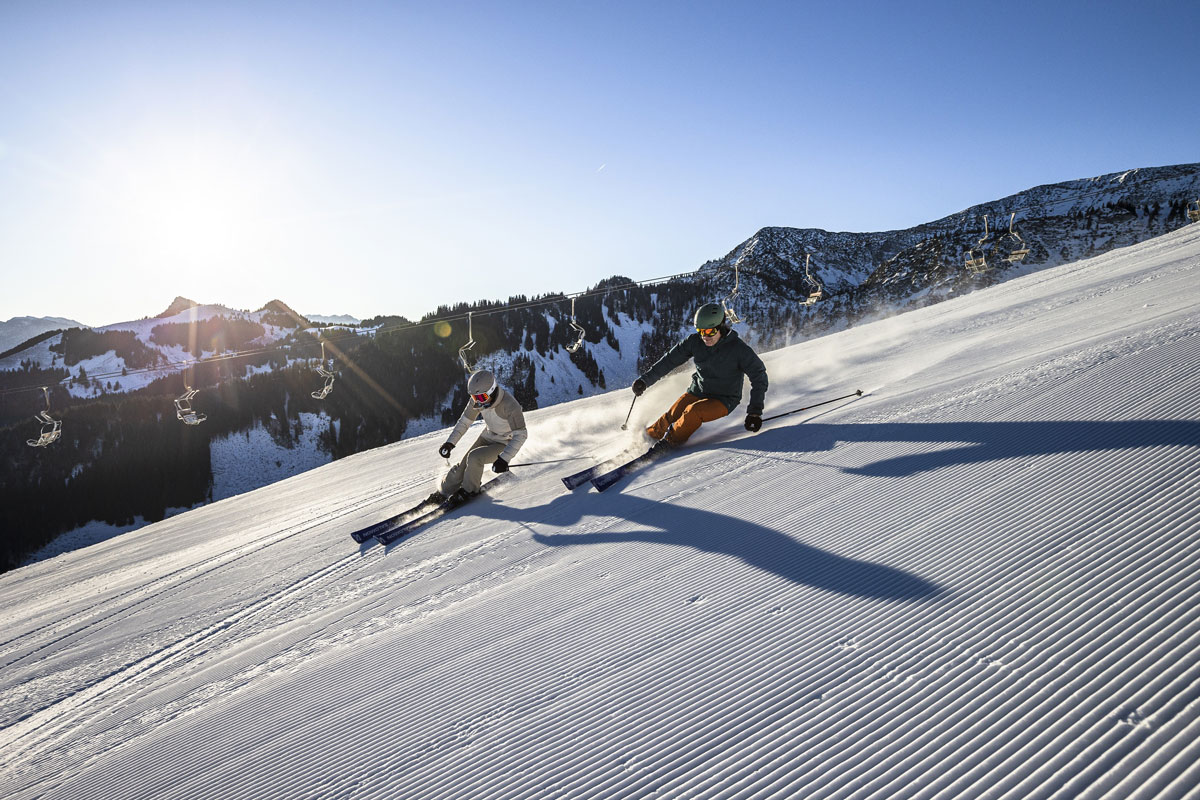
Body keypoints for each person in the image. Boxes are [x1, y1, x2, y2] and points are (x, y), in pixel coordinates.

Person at [632, 303, 768, 451]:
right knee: (671, 416)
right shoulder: (694, 342)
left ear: (721, 327)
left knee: (693, 411)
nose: (704, 336)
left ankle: (668, 444)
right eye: (700, 331)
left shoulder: (738, 350)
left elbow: (759, 376)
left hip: (724, 399)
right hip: (698, 391)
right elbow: (669, 360)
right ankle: (648, 438)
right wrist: (645, 380)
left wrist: (755, 412)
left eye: (709, 331)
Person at [431, 369, 528, 504]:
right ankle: (444, 491)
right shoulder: (477, 402)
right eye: (474, 398)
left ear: (492, 390)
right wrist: (450, 443)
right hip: (487, 436)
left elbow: (521, 435)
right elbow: (465, 422)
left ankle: (469, 491)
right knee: (460, 469)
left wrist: (504, 459)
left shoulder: (510, 405)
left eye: (481, 397)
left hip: (505, 442)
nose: (478, 402)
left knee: (475, 457)